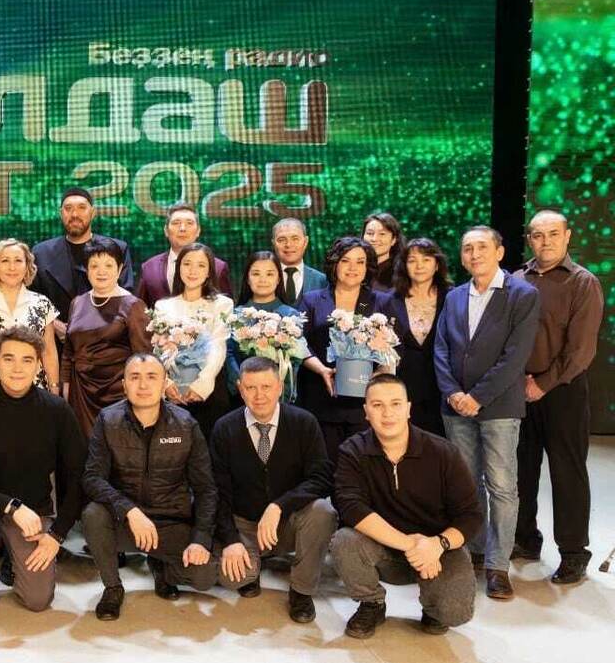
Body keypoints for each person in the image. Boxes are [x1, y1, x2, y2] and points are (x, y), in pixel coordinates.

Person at [82, 354, 241, 620]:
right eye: (135, 377)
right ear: (124, 384)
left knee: (205, 575)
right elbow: (92, 477)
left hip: (171, 521)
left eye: (151, 377)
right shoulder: (108, 420)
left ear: (165, 382)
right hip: (126, 522)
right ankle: (113, 587)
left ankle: (162, 568)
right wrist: (130, 510)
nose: (143, 385)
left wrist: (200, 540)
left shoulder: (186, 424)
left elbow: (206, 489)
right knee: (93, 514)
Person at [0, 326, 85, 618]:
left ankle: (12, 550)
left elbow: (77, 478)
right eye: (9, 359)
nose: (18, 368)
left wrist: (57, 535)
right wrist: (11, 506)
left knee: (37, 600)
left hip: (33, 517)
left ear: (38, 365)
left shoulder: (57, 411)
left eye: (27, 360)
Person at [330, 374, 483, 638]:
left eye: (395, 404)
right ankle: (372, 603)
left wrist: (437, 545)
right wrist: (411, 545)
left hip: (437, 549)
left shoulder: (443, 453)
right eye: (377, 405)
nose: (387, 413)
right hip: (384, 548)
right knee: (344, 541)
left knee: (454, 613)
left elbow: (471, 515)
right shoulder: (352, 451)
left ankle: (434, 606)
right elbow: (351, 507)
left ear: (408, 409)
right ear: (366, 412)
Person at [434, 226, 540, 600]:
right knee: (467, 484)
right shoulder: (454, 296)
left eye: (482, 247)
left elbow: (516, 356)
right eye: (467, 248)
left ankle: (498, 566)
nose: (474, 254)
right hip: (455, 407)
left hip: (499, 406)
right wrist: (452, 392)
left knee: (502, 486)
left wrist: (477, 397)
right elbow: (441, 348)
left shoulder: (522, 294)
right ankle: (474, 552)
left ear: (499, 252)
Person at [512, 211, 603, 584]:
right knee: (521, 470)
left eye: (553, 234)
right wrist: (519, 381)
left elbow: (581, 350)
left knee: (567, 472)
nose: (545, 241)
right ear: (529, 239)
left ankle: (573, 552)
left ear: (567, 236)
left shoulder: (583, 282)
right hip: (518, 390)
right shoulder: (516, 279)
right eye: (538, 235)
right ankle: (524, 539)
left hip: (562, 390)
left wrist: (543, 383)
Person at [207, 357, 336, 622]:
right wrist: (231, 541)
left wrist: (279, 506)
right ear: (240, 388)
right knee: (235, 578)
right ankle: (254, 563)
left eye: (266, 387)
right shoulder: (224, 428)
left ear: (279, 387)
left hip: (288, 522)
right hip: (244, 524)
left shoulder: (304, 422)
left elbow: (321, 478)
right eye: (251, 388)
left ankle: (301, 590)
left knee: (323, 511)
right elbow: (217, 491)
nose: (259, 395)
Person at [296, 236, 400, 455]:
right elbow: (298, 341)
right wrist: (321, 369)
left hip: (365, 401)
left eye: (360, 262)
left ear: (368, 267)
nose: (353, 268)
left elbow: (394, 348)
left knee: (363, 461)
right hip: (320, 396)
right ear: (334, 264)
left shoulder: (380, 301)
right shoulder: (312, 300)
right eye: (345, 261)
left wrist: (379, 374)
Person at [61, 237, 153, 439]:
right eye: (94, 265)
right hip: (80, 393)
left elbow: (143, 356)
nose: (101, 271)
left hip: (118, 394)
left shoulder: (133, 305)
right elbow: (69, 352)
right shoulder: (77, 302)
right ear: (86, 270)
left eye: (108, 265)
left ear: (119, 270)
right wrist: (66, 389)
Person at [0, 238, 60, 400]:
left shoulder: (42, 304)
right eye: (5, 261)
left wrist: (55, 391)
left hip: (34, 385)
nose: (12, 267)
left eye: (18, 261)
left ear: (27, 266)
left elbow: (49, 352)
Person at [153, 242, 233, 438]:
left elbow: (218, 345)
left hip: (209, 390)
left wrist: (203, 384)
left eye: (201, 265)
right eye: (187, 264)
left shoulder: (222, 304)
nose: (192, 271)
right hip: (173, 394)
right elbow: (159, 349)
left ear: (209, 272)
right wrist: (166, 383)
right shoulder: (163, 306)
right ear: (178, 267)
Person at [32, 186, 135, 338]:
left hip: (106, 340)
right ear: (61, 213)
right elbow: (32, 298)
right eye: (68, 208)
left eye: (82, 208)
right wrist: (53, 323)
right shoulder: (41, 253)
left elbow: (126, 297)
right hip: (54, 341)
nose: (75, 214)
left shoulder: (117, 249)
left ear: (92, 212)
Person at [391, 238, 451, 436]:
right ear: (404, 265)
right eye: (412, 260)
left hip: (443, 388)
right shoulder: (390, 300)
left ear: (437, 264)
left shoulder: (453, 297)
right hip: (403, 388)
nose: (419, 266)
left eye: (426, 259)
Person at [226, 251, 307, 397]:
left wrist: (280, 388)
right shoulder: (236, 315)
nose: (262, 279)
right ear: (247, 279)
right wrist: (242, 384)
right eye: (256, 274)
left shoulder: (291, 316)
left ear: (278, 279)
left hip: (279, 394)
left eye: (270, 274)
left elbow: (295, 360)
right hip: (243, 393)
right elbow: (229, 354)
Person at [136, 204, 233, 307]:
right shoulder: (149, 267)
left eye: (189, 223)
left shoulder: (218, 267)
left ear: (198, 231)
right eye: (176, 223)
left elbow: (226, 312)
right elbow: (141, 309)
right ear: (166, 231)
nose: (182, 228)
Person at [271, 218, 328, 307]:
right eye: (281, 240)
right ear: (273, 243)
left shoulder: (322, 280)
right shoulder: (261, 279)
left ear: (305, 242)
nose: (288, 244)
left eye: (295, 239)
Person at [361, 212, 405, 290]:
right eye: (370, 233)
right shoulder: (355, 269)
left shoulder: (401, 273)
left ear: (393, 240)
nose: (374, 239)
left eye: (382, 234)